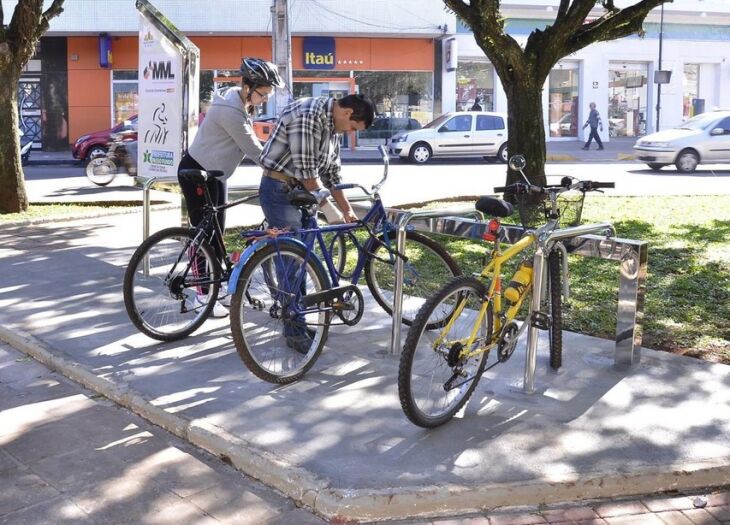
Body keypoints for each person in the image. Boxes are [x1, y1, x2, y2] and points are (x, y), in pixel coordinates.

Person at [258, 93, 376, 350]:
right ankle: (294, 329)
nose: (351, 133)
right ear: (347, 113)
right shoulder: (308, 115)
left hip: (304, 193)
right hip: (280, 189)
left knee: (305, 260)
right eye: (354, 127)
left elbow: (332, 174)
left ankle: (304, 313)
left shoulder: (333, 125)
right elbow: (307, 171)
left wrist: (346, 210)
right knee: (292, 262)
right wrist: (327, 206)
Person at [177, 57, 285, 317]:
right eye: (263, 94)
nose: (264, 100)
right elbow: (253, 150)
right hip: (196, 172)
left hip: (215, 175)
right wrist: (284, 172)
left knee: (217, 232)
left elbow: (255, 142)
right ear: (248, 86)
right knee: (203, 235)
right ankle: (202, 297)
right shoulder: (230, 111)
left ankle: (220, 289)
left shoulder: (242, 104)